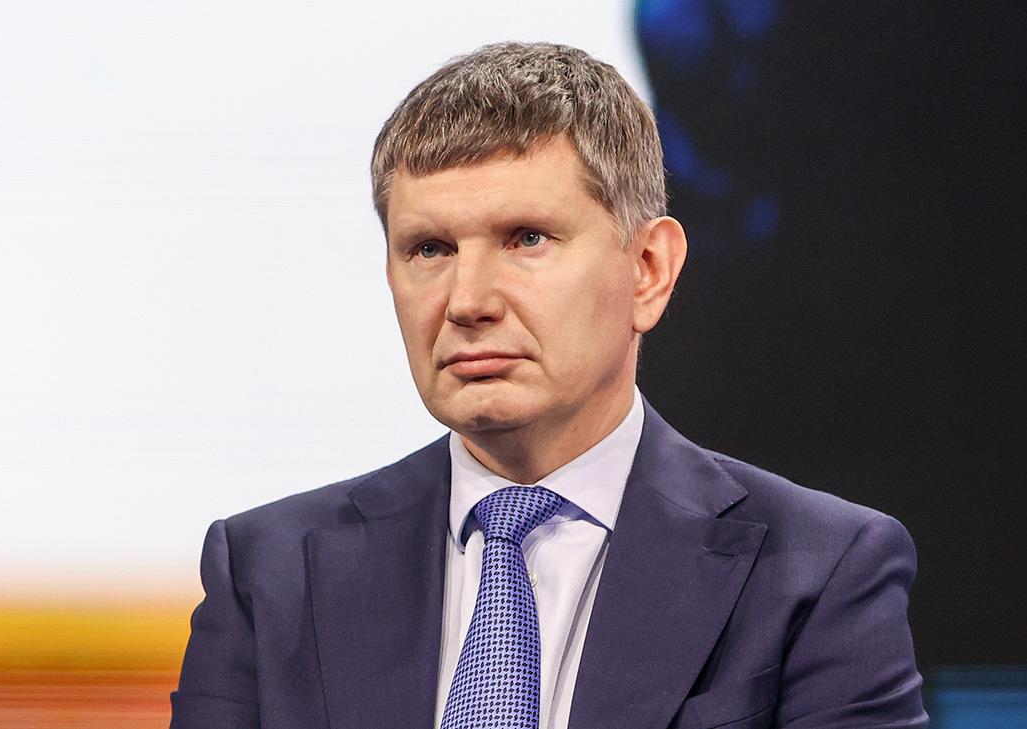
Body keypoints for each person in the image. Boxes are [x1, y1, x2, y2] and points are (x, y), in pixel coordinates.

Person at [169, 42, 927, 729]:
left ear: (648, 271)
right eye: (429, 249)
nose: (467, 301)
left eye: (526, 238)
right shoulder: (268, 572)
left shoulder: (820, 571)